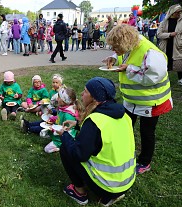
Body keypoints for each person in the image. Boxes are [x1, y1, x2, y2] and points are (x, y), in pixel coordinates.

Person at [105, 24, 173, 174]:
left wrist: (128, 69)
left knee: (147, 132)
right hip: (132, 100)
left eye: (115, 47)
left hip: (150, 102)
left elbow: (153, 77)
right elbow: (125, 55)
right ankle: (126, 153)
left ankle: (144, 161)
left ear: (124, 42)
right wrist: (113, 58)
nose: (114, 50)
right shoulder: (130, 45)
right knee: (126, 126)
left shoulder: (151, 53)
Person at [59, 77, 136, 206]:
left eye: (85, 91)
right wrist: (78, 124)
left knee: (66, 148)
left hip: (107, 186)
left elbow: (79, 154)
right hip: (126, 182)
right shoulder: (123, 115)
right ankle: (110, 196)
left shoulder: (94, 121)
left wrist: (64, 135)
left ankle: (79, 192)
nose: (82, 94)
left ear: (94, 98)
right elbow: (102, 136)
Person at [21, 87, 79, 153]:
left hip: (61, 139)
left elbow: (68, 131)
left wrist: (54, 129)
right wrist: (53, 117)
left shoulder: (68, 115)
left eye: (59, 97)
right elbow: (59, 117)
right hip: (55, 128)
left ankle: (59, 148)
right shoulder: (63, 108)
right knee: (43, 122)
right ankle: (28, 124)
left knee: (46, 149)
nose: (57, 99)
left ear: (64, 101)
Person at [157, 4, 182, 85]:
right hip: (166, 45)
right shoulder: (164, 22)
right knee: (165, 62)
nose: (179, 14)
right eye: (177, 12)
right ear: (172, 13)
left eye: (180, 12)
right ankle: (164, 78)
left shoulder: (181, 22)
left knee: (179, 62)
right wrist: (169, 34)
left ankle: (180, 78)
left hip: (178, 44)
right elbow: (159, 34)